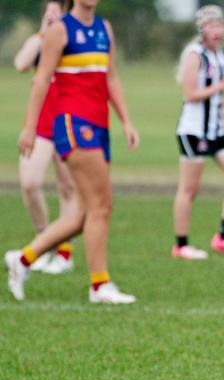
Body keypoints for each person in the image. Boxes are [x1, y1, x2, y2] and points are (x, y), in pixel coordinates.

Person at [7, 0, 139, 304]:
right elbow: (40, 79)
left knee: (84, 213)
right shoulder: (60, 30)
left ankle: (23, 260)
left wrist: (126, 121)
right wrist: (29, 128)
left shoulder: (105, 28)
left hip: (99, 125)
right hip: (73, 124)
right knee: (101, 207)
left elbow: (111, 78)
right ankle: (99, 285)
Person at [172, 5, 224, 260]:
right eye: (211, 25)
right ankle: (181, 245)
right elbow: (190, 94)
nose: (216, 30)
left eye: (220, 25)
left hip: (217, 132)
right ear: (201, 28)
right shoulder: (195, 54)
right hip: (194, 132)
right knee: (189, 189)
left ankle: (223, 237)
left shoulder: (220, 56)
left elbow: (220, 97)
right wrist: (223, 83)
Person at [14, 0, 76, 274]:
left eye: (58, 9)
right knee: (30, 182)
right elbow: (21, 64)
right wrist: (42, 33)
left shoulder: (69, 39)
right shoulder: (39, 41)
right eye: (48, 10)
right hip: (39, 125)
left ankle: (64, 254)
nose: (53, 13)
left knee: (67, 187)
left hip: (66, 120)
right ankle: (44, 242)